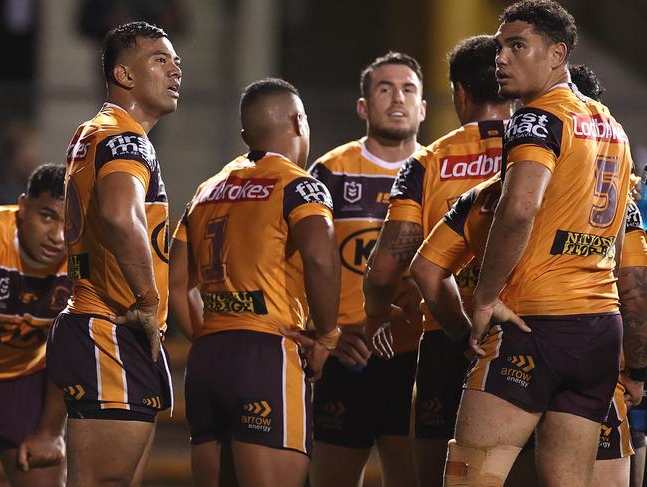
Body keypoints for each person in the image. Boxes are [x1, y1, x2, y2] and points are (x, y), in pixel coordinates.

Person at [419, 2, 632, 485]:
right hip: (599, 327)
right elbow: (618, 239)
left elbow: (519, 209)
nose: (501, 58)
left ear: (558, 54)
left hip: (535, 323)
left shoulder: (538, 118)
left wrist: (486, 297)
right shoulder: (613, 128)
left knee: (469, 475)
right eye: (499, 47)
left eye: (518, 46)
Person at [169, 78, 340, 487]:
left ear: (246, 135)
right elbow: (320, 257)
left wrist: (210, 337)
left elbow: (176, 284)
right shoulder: (300, 186)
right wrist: (328, 336)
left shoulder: (205, 190)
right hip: (268, 355)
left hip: (208, 358)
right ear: (299, 122)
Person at [362, 35, 512, 484]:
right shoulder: (539, 150)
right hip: (522, 331)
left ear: (459, 93)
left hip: (446, 337)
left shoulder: (427, 162)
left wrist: (375, 313)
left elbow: (388, 266)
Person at [45, 21, 180, 487]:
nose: (175, 69)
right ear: (124, 75)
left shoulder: (96, 131)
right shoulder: (124, 137)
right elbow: (122, 218)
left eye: (176, 60)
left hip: (101, 327)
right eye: (160, 60)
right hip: (111, 327)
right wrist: (147, 300)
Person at [307, 51, 426, 487]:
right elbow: (301, 263)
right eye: (384, 88)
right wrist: (329, 335)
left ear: (423, 107)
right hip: (348, 356)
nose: (398, 97)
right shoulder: (329, 172)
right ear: (363, 106)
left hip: (415, 356)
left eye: (408, 89)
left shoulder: (439, 169)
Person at [0, 164, 70, 487]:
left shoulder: (85, 258)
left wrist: (51, 431)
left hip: (28, 378)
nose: (57, 237)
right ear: (23, 207)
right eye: (47, 216)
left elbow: (72, 350)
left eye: (69, 223)